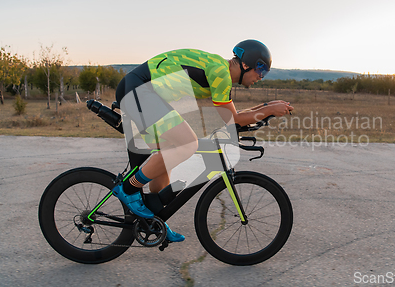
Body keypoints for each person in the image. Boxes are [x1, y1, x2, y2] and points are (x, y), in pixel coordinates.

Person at [113, 39, 294, 242]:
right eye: (261, 71)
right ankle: (129, 188)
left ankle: (154, 222)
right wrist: (269, 109)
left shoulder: (221, 71)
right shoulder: (220, 73)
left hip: (143, 92)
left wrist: (268, 106)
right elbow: (233, 120)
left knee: (168, 160)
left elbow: (233, 115)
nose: (260, 77)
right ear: (245, 64)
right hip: (140, 91)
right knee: (188, 143)